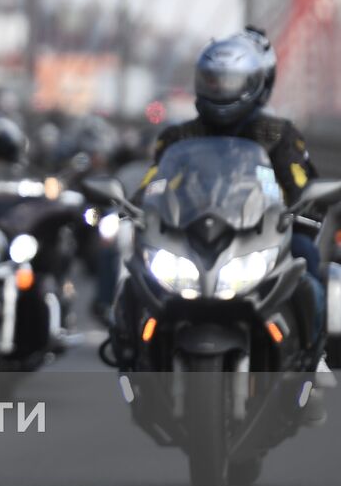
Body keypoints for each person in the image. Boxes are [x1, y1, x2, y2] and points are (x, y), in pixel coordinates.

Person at [112, 28, 327, 371]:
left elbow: (302, 185)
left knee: (308, 257)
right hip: (191, 234)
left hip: (260, 234)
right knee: (135, 271)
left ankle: (314, 358)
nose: (221, 89)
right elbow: (154, 182)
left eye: (229, 81)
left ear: (255, 83)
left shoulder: (278, 135)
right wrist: (131, 207)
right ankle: (129, 348)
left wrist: (302, 210)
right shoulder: (178, 136)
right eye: (213, 80)